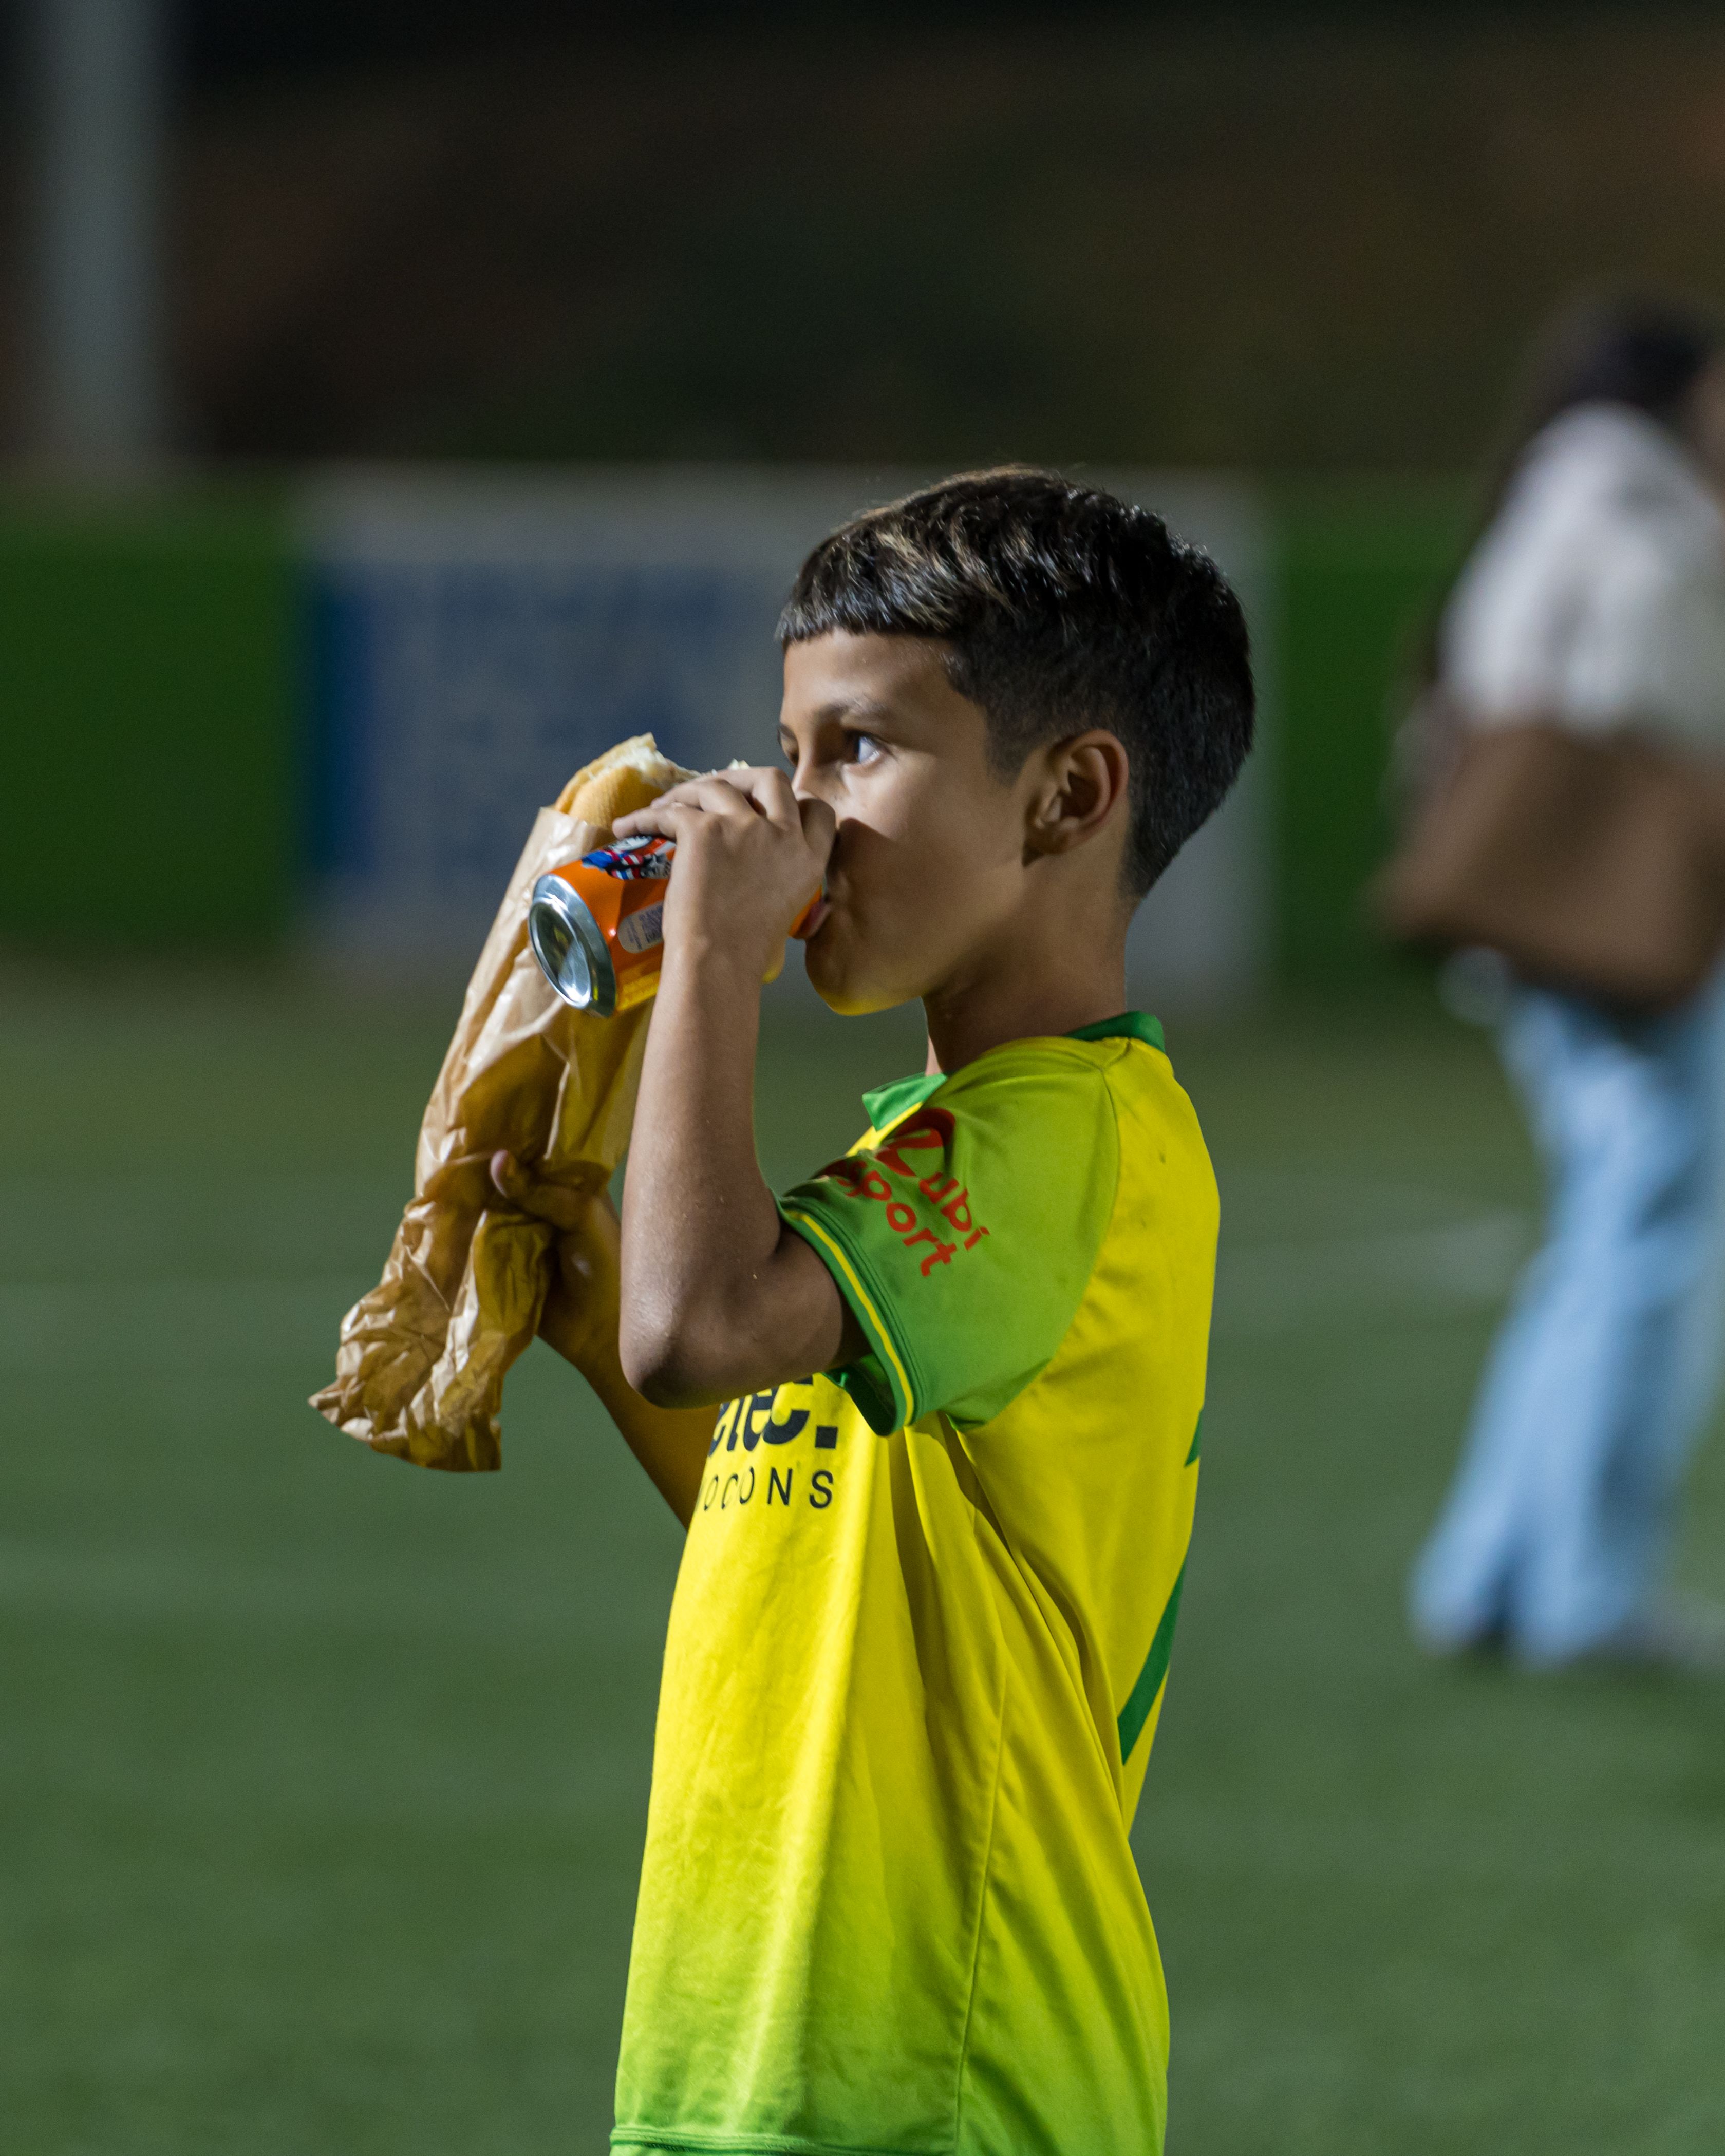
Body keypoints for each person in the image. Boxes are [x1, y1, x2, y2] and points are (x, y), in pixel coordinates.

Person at [489, 468, 1254, 2154]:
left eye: (860, 749)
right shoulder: (936, 1143)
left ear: (1068, 797)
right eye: (793, 744)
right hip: (752, 2058)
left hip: (941, 2074)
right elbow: (789, 1497)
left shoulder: (1070, 1138)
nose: (793, 807)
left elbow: (702, 1328)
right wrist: (575, 1274)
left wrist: (710, 962)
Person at [1409, 296, 1725, 1669]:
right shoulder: (1647, 520)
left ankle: (1491, 1575)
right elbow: (1666, 700)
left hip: (1548, 937)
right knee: (1647, 1251)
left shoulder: (1554, 500)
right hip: (1627, 939)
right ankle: (1585, 1593)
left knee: (1601, 1247)